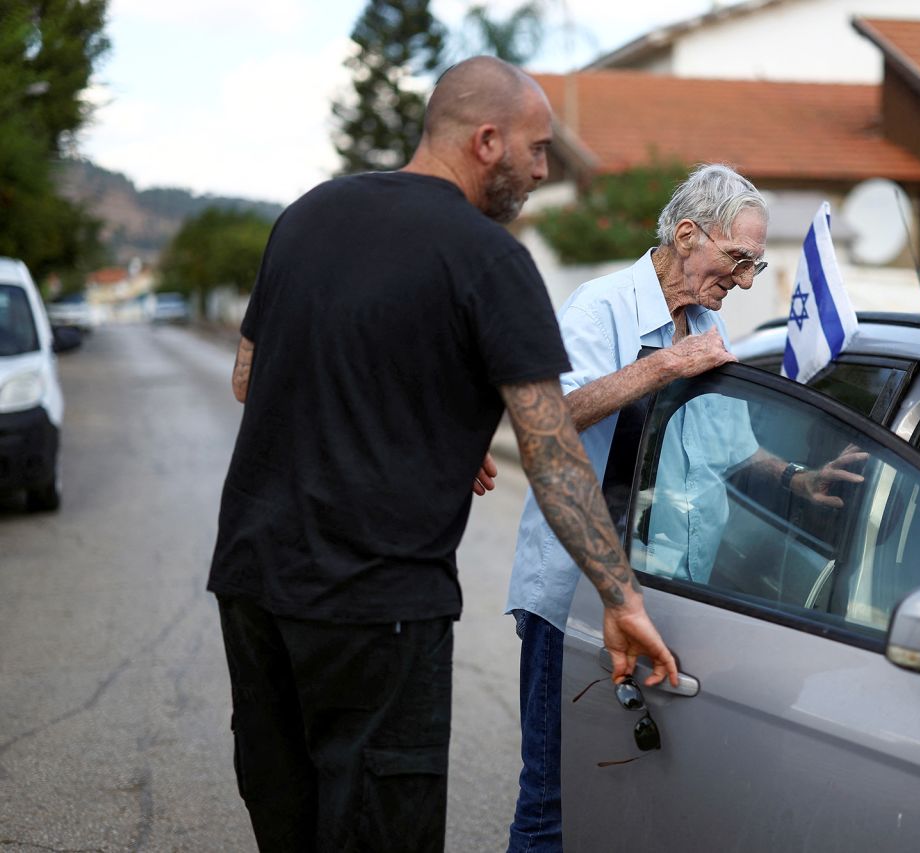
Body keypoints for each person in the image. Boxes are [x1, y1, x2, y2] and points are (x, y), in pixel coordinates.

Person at [207, 56, 676, 853]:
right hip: (374, 602)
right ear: (486, 141)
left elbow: (250, 375)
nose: (543, 168)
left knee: (290, 822)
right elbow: (554, 452)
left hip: (253, 586)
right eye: (535, 147)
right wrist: (622, 598)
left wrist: (416, 433)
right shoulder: (489, 259)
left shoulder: (308, 216)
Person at [506, 164, 804, 851]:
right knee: (554, 803)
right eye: (738, 260)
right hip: (578, 595)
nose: (747, 281)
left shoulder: (701, 322)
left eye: (756, 266)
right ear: (688, 234)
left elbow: (731, 452)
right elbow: (552, 415)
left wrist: (794, 479)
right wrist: (663, 366)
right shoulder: (600, 306)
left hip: (666, 593)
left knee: (631, 796)